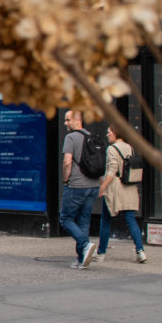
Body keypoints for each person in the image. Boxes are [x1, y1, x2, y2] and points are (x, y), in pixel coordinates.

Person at [95, 125, 147, 264]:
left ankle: (101, 253)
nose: (107, 135)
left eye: (109, 132)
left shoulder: (111, 149)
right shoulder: (130, 147)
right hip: (129, 187)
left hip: (116, 188)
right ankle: (140, 251)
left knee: (105, 220)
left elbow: (112, 169)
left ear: (116, 133)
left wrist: (103, 186)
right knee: (131, 220)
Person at [61, 109, 99, 270]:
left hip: (76, 185)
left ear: (77, 120)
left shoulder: (70, 137)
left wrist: (65, 179)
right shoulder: (92, 137)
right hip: (93, 185)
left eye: (68, 120)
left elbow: (67, 161)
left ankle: (85, 245)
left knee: (65, 219)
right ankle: (81, 259)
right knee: (84, 222)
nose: (65, 123)